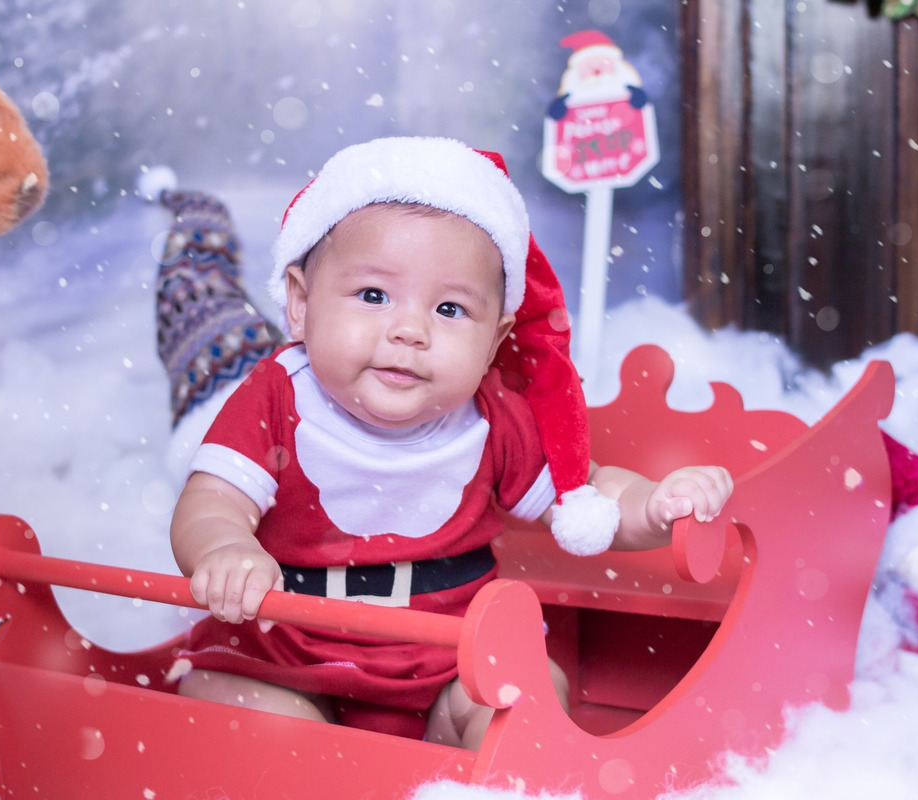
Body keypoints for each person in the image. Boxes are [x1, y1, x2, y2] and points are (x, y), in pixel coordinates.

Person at [162, 137, 733, 749]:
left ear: (494, 339)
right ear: (300, 305)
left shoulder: (493, 419)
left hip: (443, 662)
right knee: (230, 698)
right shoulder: (278, 397)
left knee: (526, 689)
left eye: (451, 309)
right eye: (374, 296)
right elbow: (212, 501)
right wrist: (224, 548)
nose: (410, 330)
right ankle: (321, 767)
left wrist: (652, 504)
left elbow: (588, 493)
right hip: (282, 655)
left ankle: (495, 779)